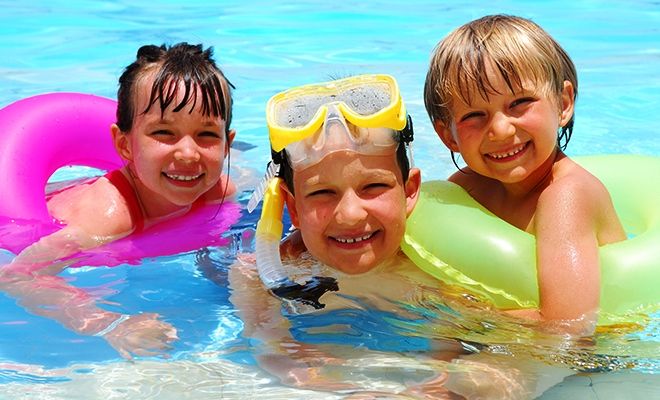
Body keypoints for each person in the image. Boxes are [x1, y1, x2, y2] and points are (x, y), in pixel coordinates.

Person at [229, 74, 566, 398]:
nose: (350, 214)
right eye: (322, 193)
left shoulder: (438, 273)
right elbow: (275, 354)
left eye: (373, 186)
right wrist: (338, 387)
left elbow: (529, 345)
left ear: (410, 191)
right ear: (293, 206)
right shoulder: (258, 277)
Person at [0, 42, 236, 358]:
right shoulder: (108, 217)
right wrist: (111, 324)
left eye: (207, 135)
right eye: (163, 133)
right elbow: (20, 276)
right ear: (124, 145)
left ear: (226, 146)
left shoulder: (220, 192)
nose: (188, 153)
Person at [423, 15, 626, 332]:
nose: (501, 130)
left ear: (563, 103)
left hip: (594, 354)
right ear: (448, 135)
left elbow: (569, 327)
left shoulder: (566, 196)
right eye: (474, 115)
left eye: (520, 103)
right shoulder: (468, 189)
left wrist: (465, 313)